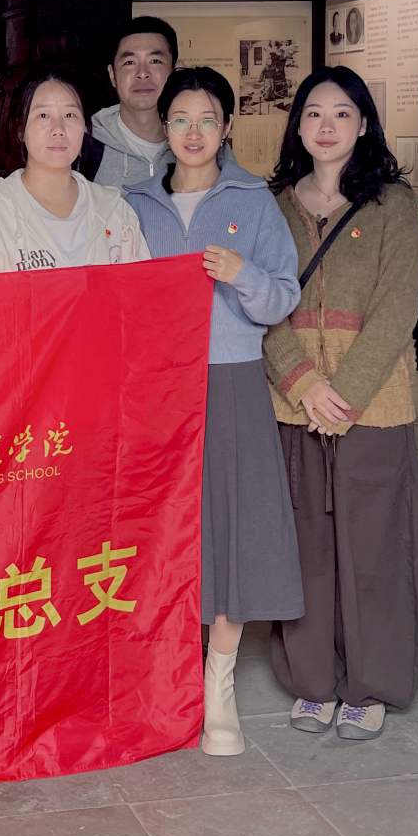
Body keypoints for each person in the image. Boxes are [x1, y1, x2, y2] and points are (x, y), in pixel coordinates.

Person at [125, 67, 303, 756]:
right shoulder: (135, 203)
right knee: (163, 529)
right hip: (154, 390)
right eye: (180, 119)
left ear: (227, 126)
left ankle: (218, 684)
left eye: (207, 119)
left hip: (230, 380)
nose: (193, 132)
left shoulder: (254, 201)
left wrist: (241, 274)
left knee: (232, 528)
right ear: (163, 127)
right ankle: (166, 675)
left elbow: (282, 295)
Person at [263, 67, 418, 741]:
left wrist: (345, 395)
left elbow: (397, 307)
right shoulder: (272, 204)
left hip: (374, 404)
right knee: (304, 544)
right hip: (293, 402)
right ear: (298, 125)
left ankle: (371, 683)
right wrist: (304, 384)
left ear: (363, 124)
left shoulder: (394, 203)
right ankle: (313, 680)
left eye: (341, 113)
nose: (326, 126)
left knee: (374, 544)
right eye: (313, 113)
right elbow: (258, 304)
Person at [0, 76, 149, 275]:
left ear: (85, 128)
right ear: (21, 129)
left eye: (70, 115)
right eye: (43, 115)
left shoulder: (115, 212)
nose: (58, 129)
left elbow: (143, 294)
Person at [86, 16, 178, 189]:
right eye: (130, 62)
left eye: (155, 61)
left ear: (175, 72)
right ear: (112, 75)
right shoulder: (85, 145)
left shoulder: (200, 140)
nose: (142, 73)